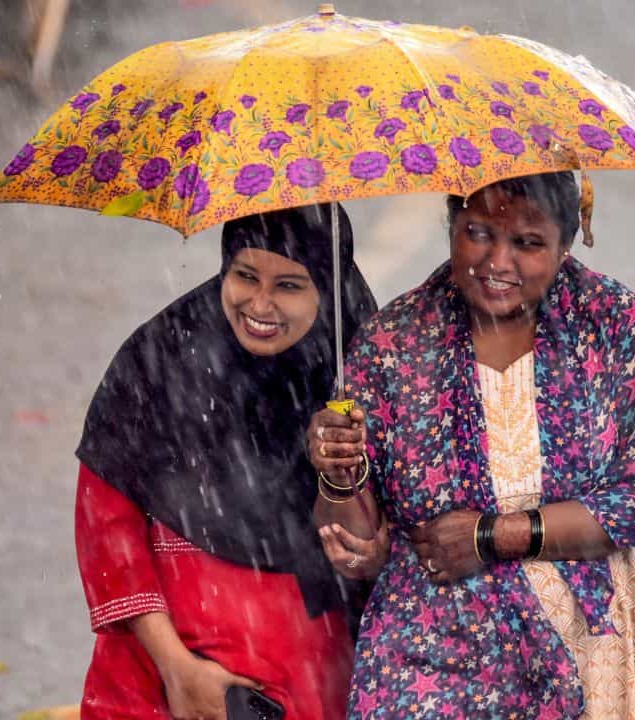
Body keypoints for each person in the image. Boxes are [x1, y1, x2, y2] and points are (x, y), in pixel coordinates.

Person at [308, 172, 635, 720]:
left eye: (528, 242)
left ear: (564, 244)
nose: (498, 261)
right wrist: (338, 471)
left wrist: (493, 536)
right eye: (479, 232)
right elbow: (356, 545)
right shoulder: (394, 340)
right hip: (432, 654)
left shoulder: (612, 323)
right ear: (451, 223)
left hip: (591, 638)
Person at [75, 204, 377, 720]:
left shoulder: (365, 373)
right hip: (153, 685)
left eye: (289, 285)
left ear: (327, 289)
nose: (260, 304)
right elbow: (106, 522)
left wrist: (339, 471)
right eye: (245, 276)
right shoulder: (161, 357)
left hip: (308, 686)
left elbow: (379, 557)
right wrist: (176, 669)